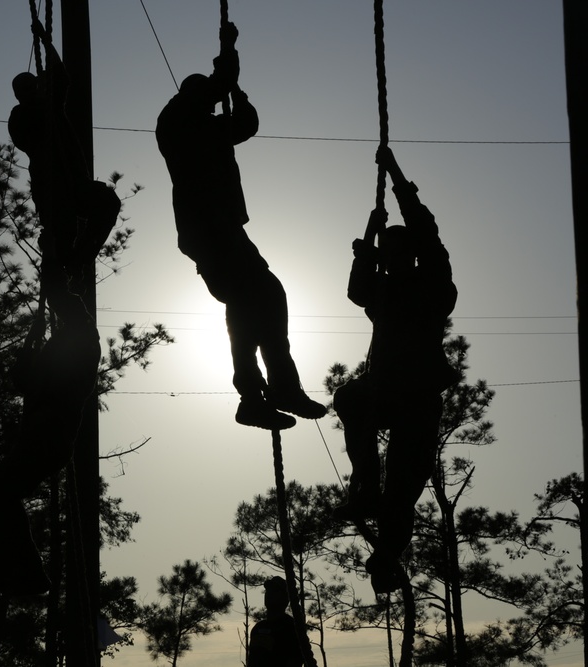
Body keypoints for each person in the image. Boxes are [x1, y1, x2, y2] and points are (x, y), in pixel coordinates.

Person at [0, 19, 122, 598]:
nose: (28, 91)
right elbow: (35, 118)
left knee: (102, 203)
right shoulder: (25, 120)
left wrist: (47, 41)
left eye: (29, 86)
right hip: (53, 190)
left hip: (44, 433)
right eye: (22, 89)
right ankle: (24, 576)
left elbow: (63, 82)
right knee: (62, 249)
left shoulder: (65, 356)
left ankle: (23, 576)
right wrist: (49, 306)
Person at [155, 23, 325, 431]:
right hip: (209, 231)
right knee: (261, 295)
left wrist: (237, 95)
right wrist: (229, 51)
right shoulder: (177, 122)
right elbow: (221, 84)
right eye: (207, 100)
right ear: (191, 96)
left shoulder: (207, 128)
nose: (213, 107)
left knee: (254, 303)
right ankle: (267, 391)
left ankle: (262, 393)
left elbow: (246, 124)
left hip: (219, 229)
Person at [332, 145, 458, 594]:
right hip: (385, 391)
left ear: (412, 256)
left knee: (402, 489)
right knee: (349, 397)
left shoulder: (432, 286)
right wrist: (371, 231)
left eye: (398, 253)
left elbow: (427, 232)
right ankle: (365, 483)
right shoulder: (382, 292)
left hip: (417, 398)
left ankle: (386, 557)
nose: (392, 259)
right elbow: (356, 287)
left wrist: (396, 175)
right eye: (388, 255)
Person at [247, 577, 304, 667]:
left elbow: (295, 661)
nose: (269, 594)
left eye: (274, 591)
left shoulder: (291, 627)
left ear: (285, 598)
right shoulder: (258, 628)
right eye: (268, 591)